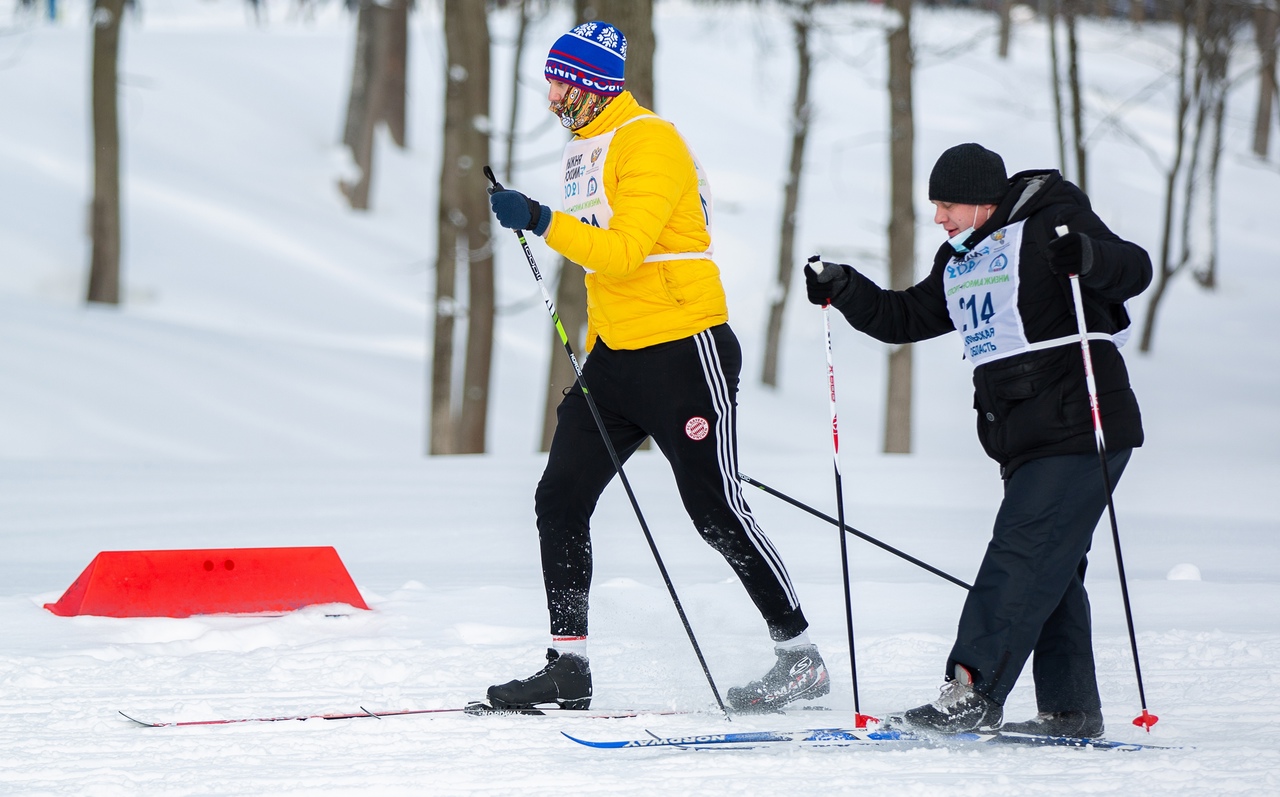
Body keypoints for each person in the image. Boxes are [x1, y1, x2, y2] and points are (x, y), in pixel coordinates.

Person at [481, 21, 828, 714]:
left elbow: (625, 251)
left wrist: (540, 218)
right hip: (617, 356)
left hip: (683, 349)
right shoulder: (587, 144)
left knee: (713, 510)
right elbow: (598, 256)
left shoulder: (651, 140)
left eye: (560, 81)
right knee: (560, 496)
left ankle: (799, 656)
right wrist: (545, 223)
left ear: (592, 83)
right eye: (549, 80)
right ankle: (568, 664)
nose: (551, 94)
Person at [805, 143, 1151, 737]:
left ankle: (971, 692)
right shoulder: (962, 258)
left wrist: (1088, 256)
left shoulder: (1051, 221)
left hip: (1079, 419)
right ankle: (1071, 712)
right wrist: (847, 288)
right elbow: (906, 316)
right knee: (1051, 566)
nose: (939, 217)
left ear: (985, 202)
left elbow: (1134, 268)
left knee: (1021, 554)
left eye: (948, 205)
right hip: (1023, 433)